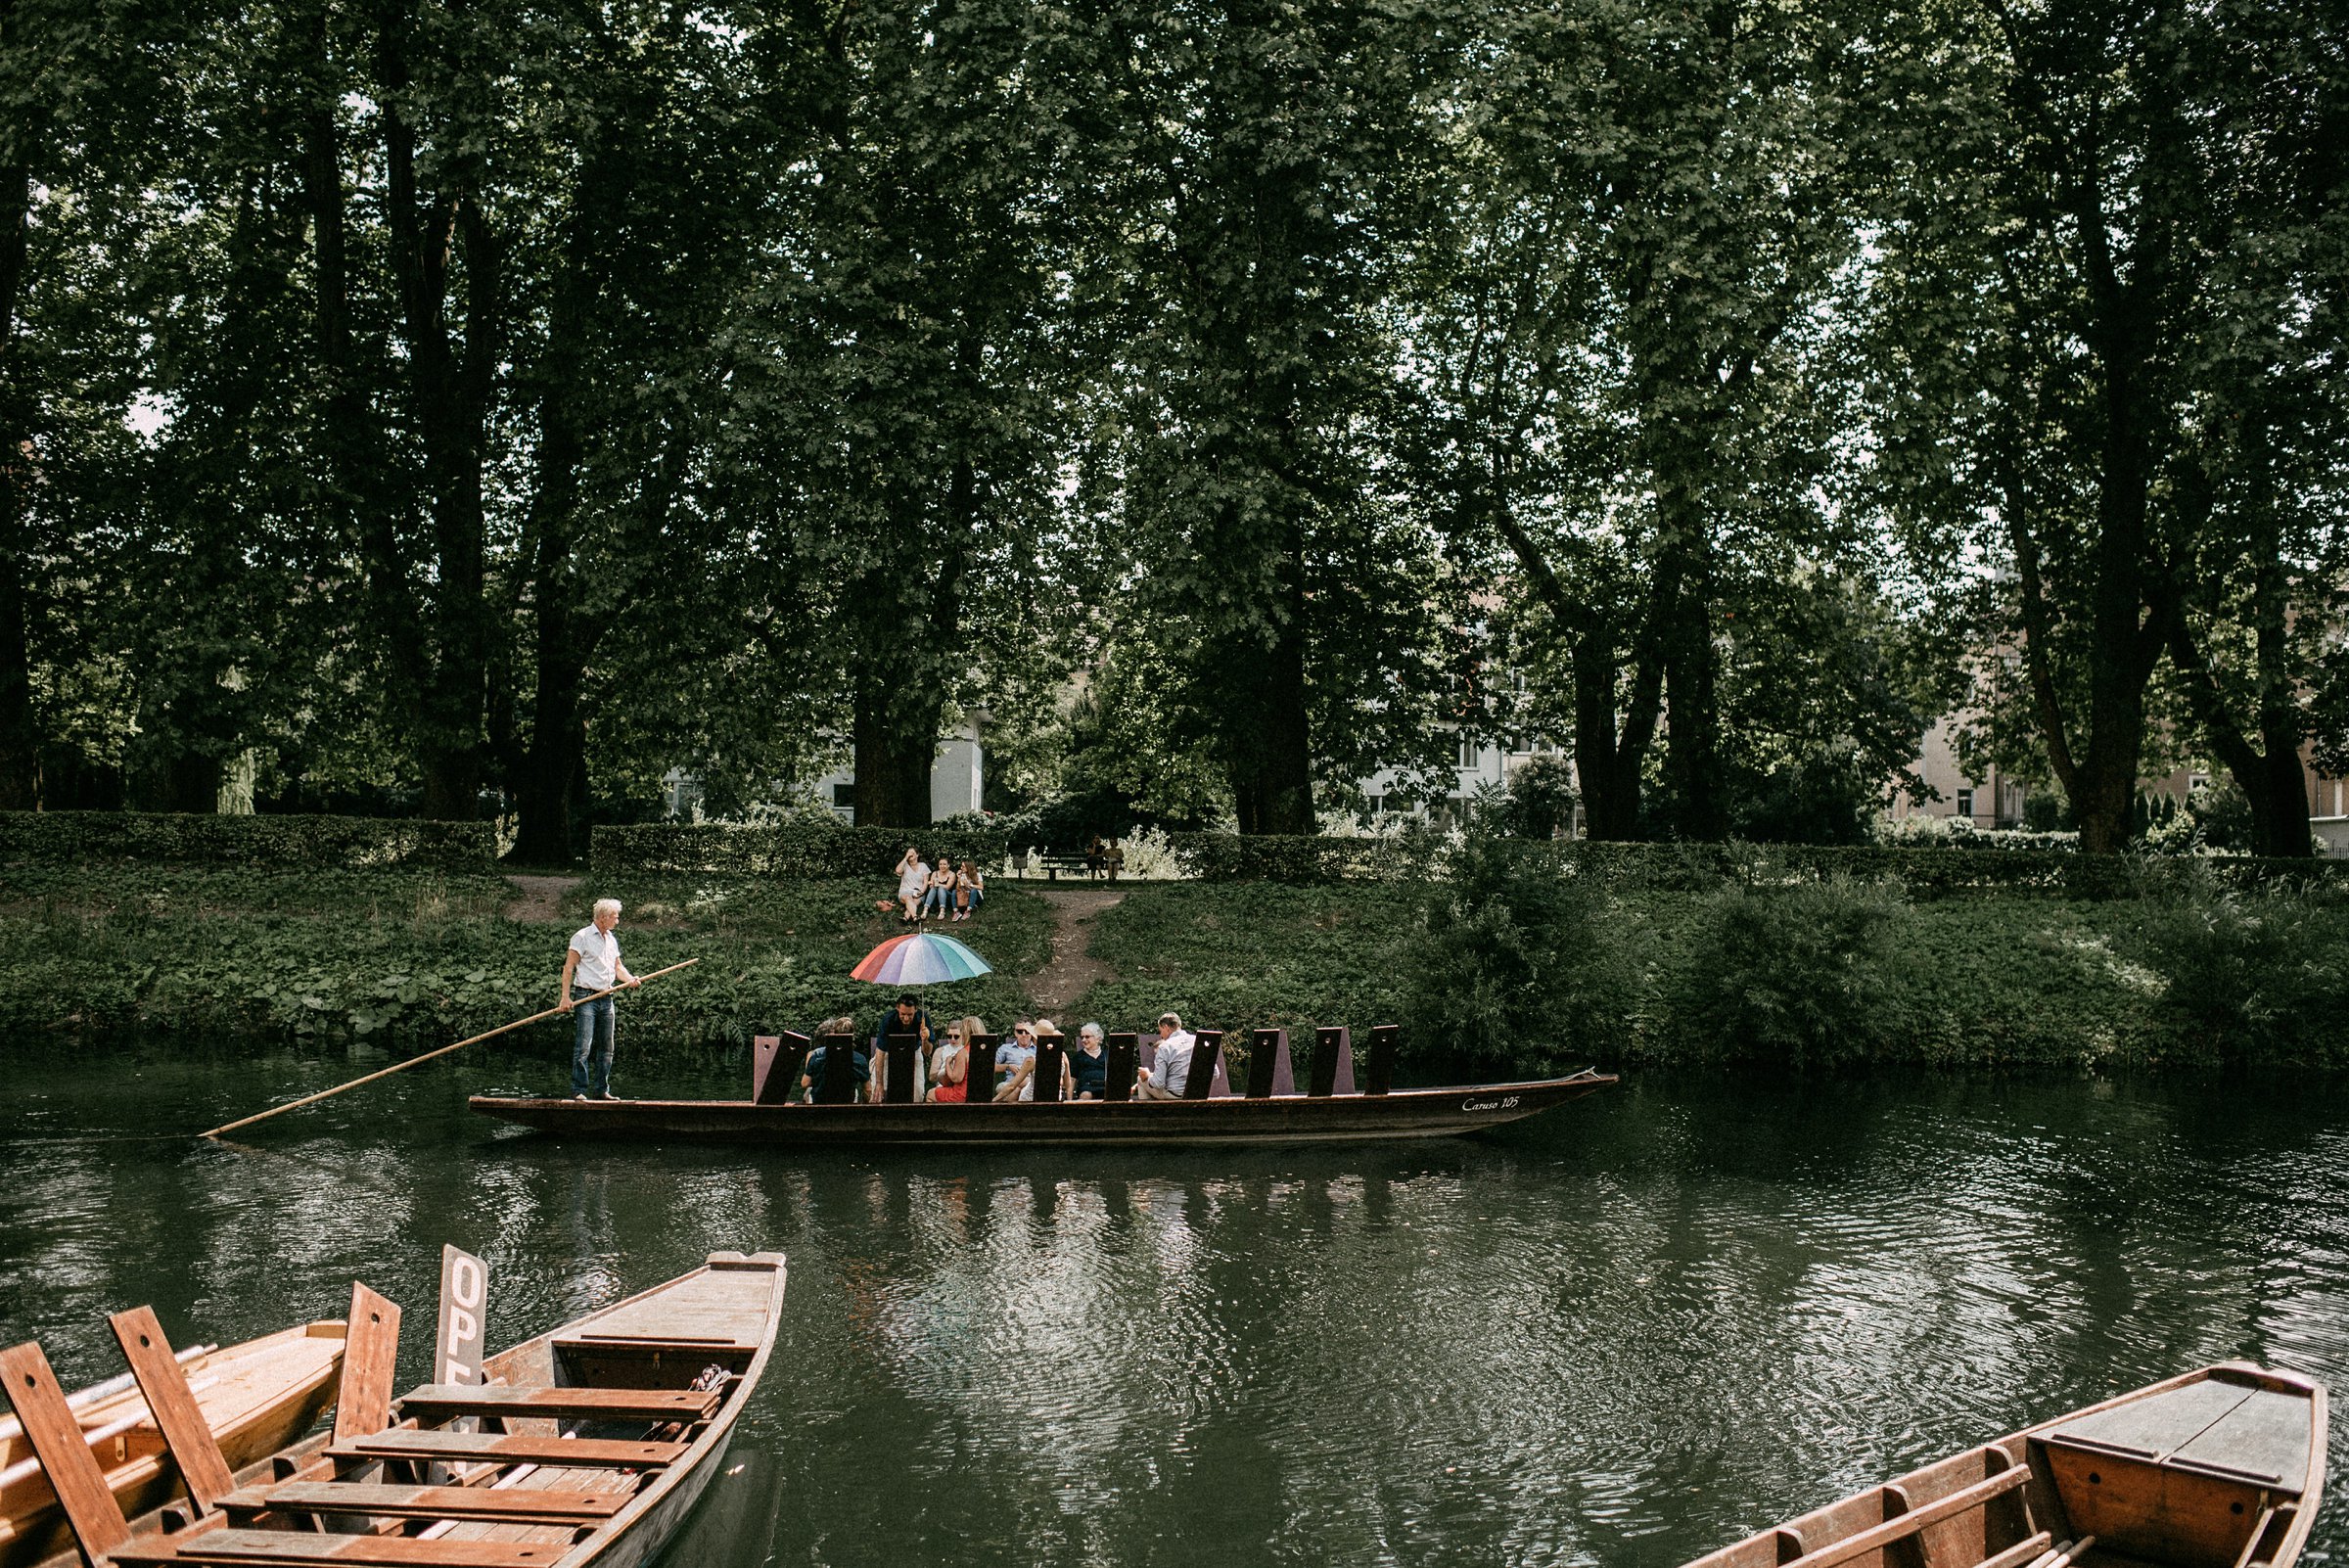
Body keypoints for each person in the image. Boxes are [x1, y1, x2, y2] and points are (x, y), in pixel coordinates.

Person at [558, 898, 639, 1100]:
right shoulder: (582, 936)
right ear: (603, 918)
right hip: (585, 997)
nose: (617, 921)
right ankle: (578, 1090)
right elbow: (568, 968)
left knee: (607, 1047)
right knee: (584, 1045)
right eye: (615, 916)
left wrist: (630, 979)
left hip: (606, 997)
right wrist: (565, 998)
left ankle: (602, 1090)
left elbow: (618, 967)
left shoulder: (611, 939)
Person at [870, 993, 932, 1102]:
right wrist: (879, 1084)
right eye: (903, 1014)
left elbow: (927, 1052)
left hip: (914, 1051)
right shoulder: (888, 1019)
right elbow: (880, 1051)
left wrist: (925, 1040)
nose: (906, 1018)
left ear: (916, 1010)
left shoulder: (923, 1018)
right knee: (878, 1091)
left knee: (918, 1091)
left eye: (910, 1014)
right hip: (889, 1052)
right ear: (897, 1008)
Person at [800, 1015, 867, 1102]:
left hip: (820, 1105)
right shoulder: (859, 1059)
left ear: (834, 1033)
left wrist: (820, 1080)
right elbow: (868, 1089)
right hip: (847, 1106)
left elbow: (804, 1083)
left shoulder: (817, 1054)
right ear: (853, 1036)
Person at [1134, 1011, 1195, 1100]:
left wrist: (1147, 1075)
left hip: (1175, 1095)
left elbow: (1158, 1083)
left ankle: (1147, 1113)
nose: (1161, 1035)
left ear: (1166, 1027)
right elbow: (1215, 1073)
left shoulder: (1165, 1046)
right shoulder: (1196, 1040)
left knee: (1141, 1079)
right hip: (1195, 1094)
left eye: (1160, 1031)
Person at [927, 1016, 982, 1102]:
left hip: (960, 1093)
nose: (952, 1039)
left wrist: (948, 1064)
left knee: (930, 1094)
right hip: (975, 1091)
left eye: (956, 1036)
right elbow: (931, 1077)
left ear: (963, 1033)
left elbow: (956, 1078)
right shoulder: (979, 1051)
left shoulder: (963, 1052)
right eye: (949, 1036)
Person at [991, 1020, 1037, 1103]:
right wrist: (1007, 1066)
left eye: (1027, 1032)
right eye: (1020, 1032)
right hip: (1010, 1083)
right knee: (1015, 1090)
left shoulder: (1038, 1050)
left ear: (1032, 1033)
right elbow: (991, 1066)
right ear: (1015, 1033)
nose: (1023, 1035)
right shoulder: (1005, 1048)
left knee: (1023, 1089)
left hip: (1031, 1085)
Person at [1069, 1022, 1109, 1100]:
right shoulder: (1078, 1057)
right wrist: (1069, 1101)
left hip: (1104, 1087)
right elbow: (1072, 1079)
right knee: (1086, 1095)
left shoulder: (1106, 1055)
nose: (1084, 1040)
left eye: (1087, 1037)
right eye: (1082, 1037)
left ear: (1097, 1038)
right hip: (1087, 1088)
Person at [892, 848, 927, 924]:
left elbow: (925, 882)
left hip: (918, 892)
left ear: (917, 855)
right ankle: (915, 917)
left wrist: (922, 892)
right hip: (905, 891)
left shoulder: (923, 866)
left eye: (912, 852)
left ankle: (906, 917)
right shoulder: (905, 866)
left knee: (914, 902)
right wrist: (906, 857)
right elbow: (897, 871)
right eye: (908, 852)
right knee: (908, 898)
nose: (910, 854)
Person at [922, 855, 956, 921]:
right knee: (933, 888)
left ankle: (942, 911)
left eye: (944, 864)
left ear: (948, 865)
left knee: (941, 888)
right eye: (940, 864)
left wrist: (937, 884)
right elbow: (931, 886)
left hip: (947, 897)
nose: (942, 866)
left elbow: (948, 887)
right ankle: (925, 910)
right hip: (935, 897)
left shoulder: (952, 874)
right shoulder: (935, 873)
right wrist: (932, 884)